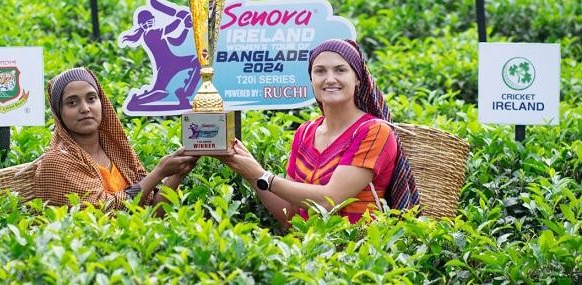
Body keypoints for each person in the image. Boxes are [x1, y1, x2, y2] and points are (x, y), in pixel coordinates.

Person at [216, 39, 419, 226]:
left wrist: (263, 176)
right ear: (311, 79)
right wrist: (249, 171)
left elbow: (330, 200)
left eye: (340, 70)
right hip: (308, 254)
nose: (330, 79)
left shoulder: (374, 131)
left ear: (358, 78)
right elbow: (291, 216)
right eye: (320, 71)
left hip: (358, 255)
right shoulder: (304, 133)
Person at [34, 67, 198, 211]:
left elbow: (153, 212)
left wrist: (178, 172)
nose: (85, 108)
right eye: (72, 102)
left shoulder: (117, 151)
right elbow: (104, 211)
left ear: (101, 103)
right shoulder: (57, 160)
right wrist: (158, 173)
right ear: (59, 113)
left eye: (91, 98)